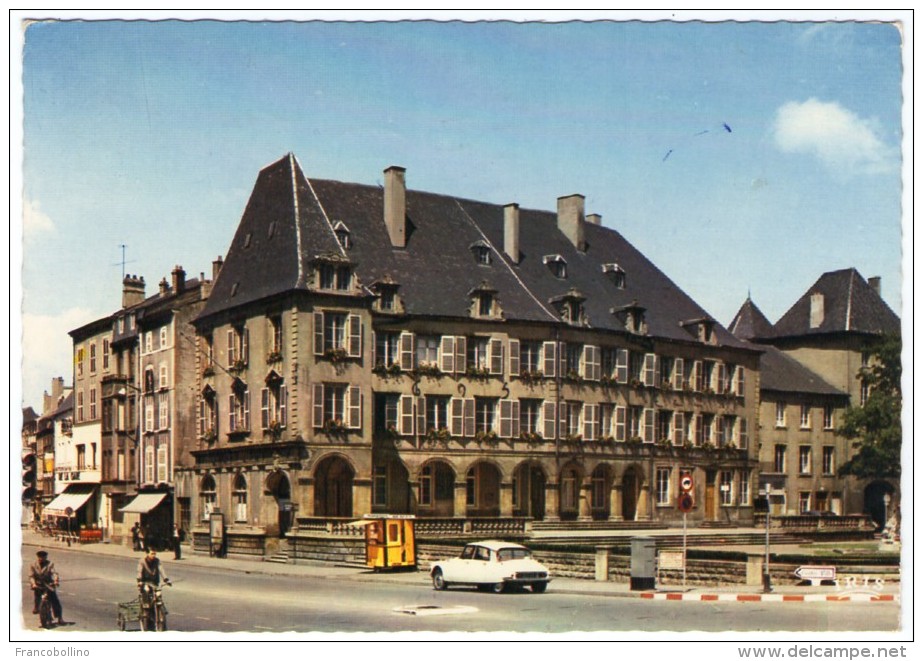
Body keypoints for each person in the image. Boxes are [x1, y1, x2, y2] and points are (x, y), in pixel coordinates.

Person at [29, 550, 65, 625]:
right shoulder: (33, 565)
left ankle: (60, 618)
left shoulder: (50, 564)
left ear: (46, 557)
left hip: (48, 584)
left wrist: (56, 580)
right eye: (40, 558)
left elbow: (54, 573)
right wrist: (33, 584)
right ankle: (37, 609)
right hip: (38, 584)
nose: (41, 559)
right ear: (38, 557)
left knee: (55, 600)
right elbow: (31, 576)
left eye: (43, 558)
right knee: (37, 600)